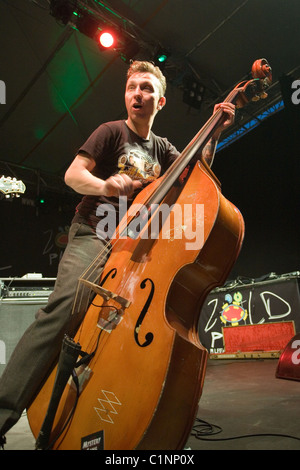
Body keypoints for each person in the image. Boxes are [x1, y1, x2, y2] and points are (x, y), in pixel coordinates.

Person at [0, 60, 235, 448]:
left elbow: (196, 174)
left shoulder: (162, 149)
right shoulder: (111, 132)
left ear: (160, 101)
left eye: (146, 88)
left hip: (134, 246)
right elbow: (73, 176)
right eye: (131, 88)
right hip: (94, 234)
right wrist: (107, 186)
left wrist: (214, 133)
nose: (137, 95)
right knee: (66, 307)